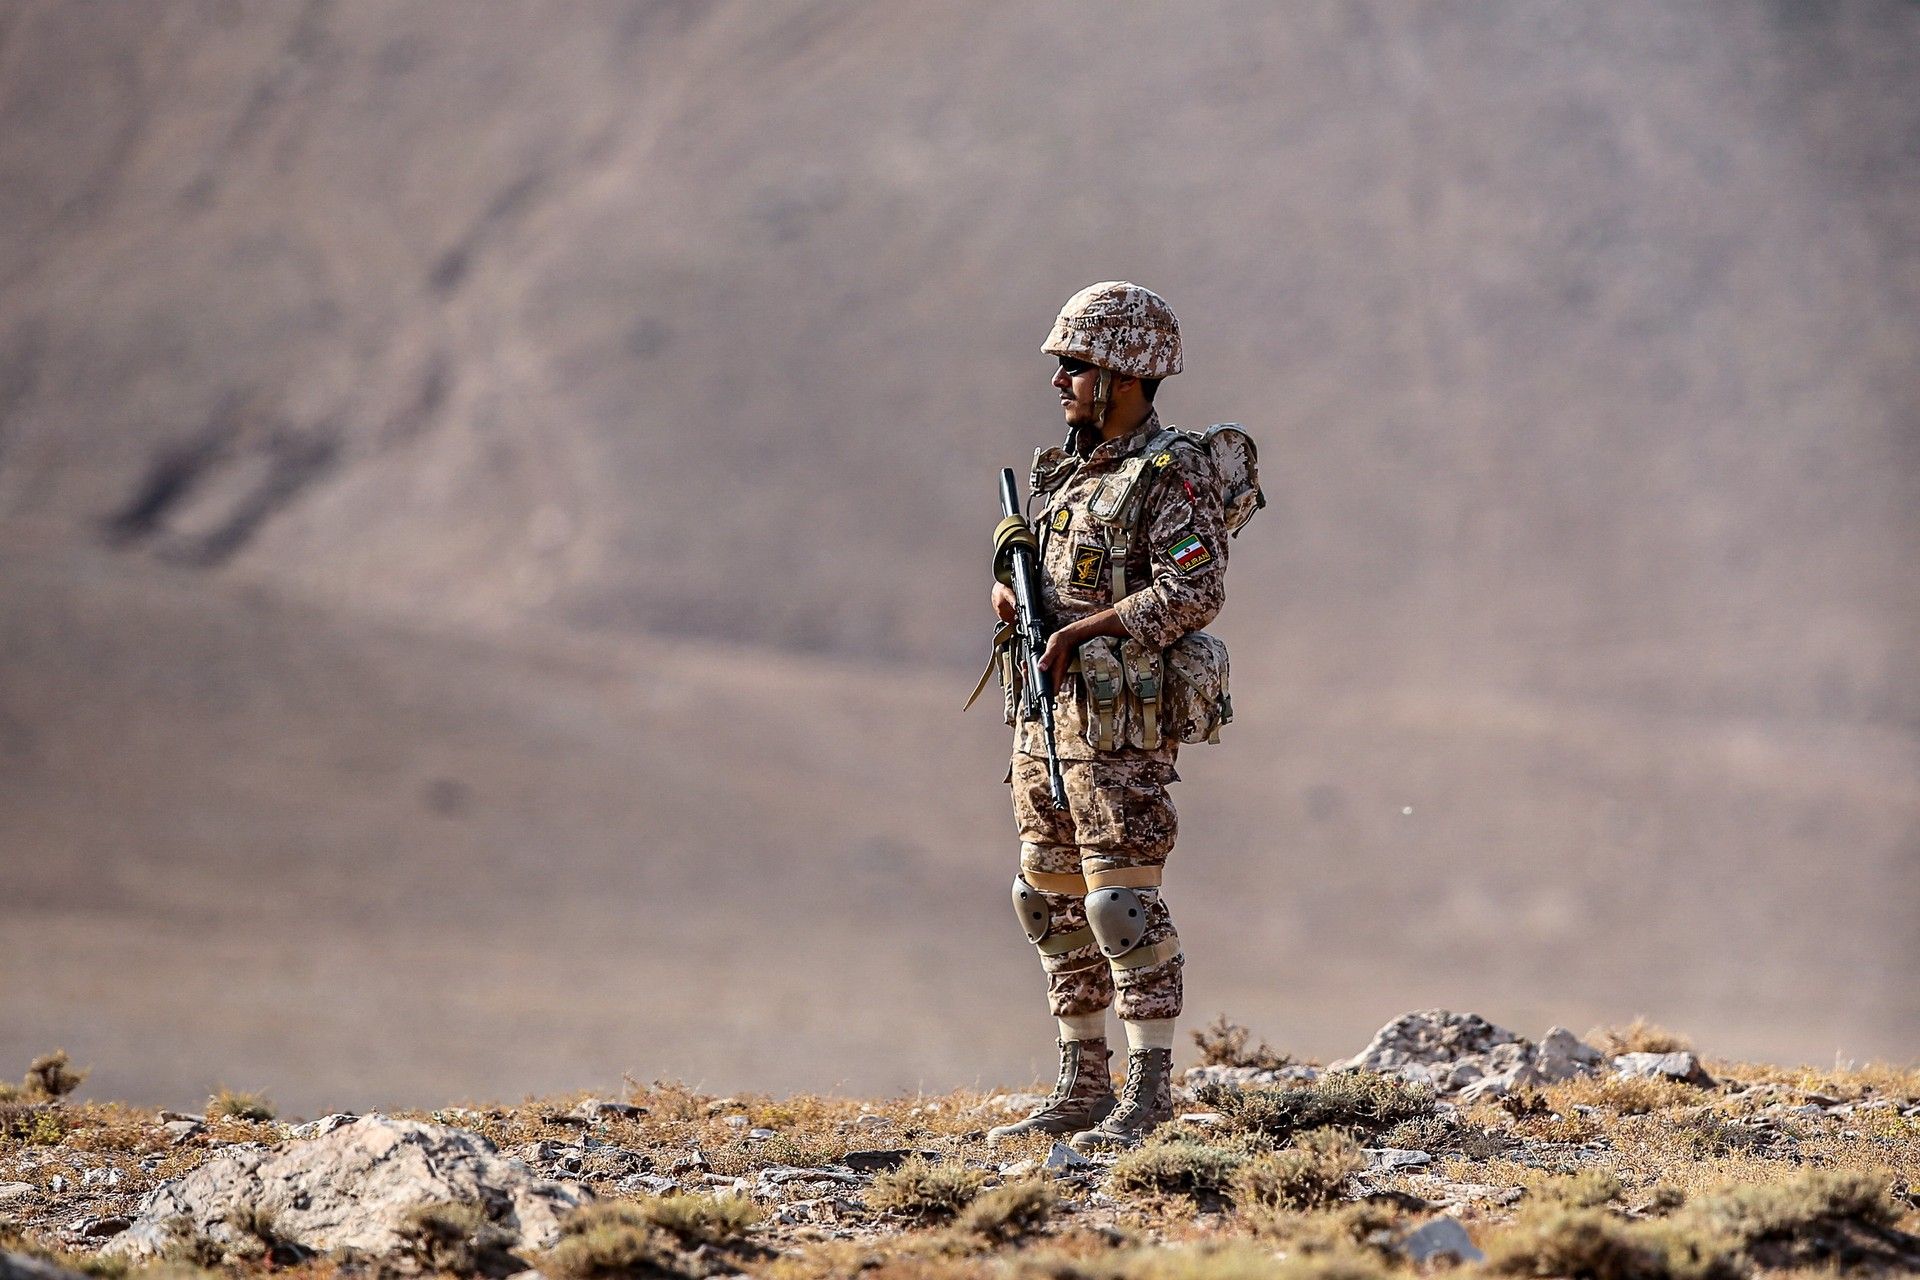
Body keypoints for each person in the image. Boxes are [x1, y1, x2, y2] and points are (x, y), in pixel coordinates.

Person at [986, 281, 1230, 1151]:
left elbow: (1194, 589)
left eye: (1075, 365)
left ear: (1124, 373)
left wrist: (1085, 630)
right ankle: (1083, 1082)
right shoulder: (1065, 477)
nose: (1060, 382)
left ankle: (1151, 1092)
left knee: (1120, 906)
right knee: (1045, 897)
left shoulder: (1171, 474)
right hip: (1050, 718)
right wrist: (1017, 602)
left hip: (1122, 729)